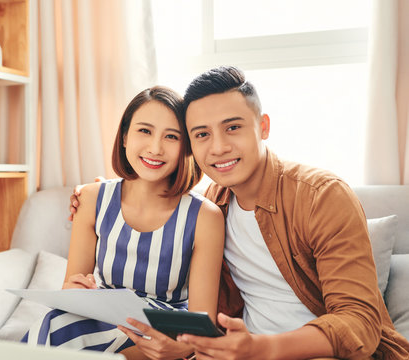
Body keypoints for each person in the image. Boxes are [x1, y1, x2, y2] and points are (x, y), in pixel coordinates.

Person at [70, 67, 409, 359]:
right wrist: (101, 194)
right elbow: (157, 204)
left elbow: (359, 323)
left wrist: (259, 349)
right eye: (202, 135)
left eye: (232, 128)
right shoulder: (213, 206)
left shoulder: (321, 196)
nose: (218, 147)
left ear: (263, 126)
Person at [23, 86, 225, 360]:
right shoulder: (92, 198)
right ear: (125, 137)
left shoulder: (205, 216)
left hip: (164, 332)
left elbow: (203, 322)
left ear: (185, 148)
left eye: (171, 136)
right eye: (145, 131)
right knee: (56, 322)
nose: (155, 147)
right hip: (103, 318)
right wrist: (78, 290)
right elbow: (70, 289)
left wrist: (182, 348)